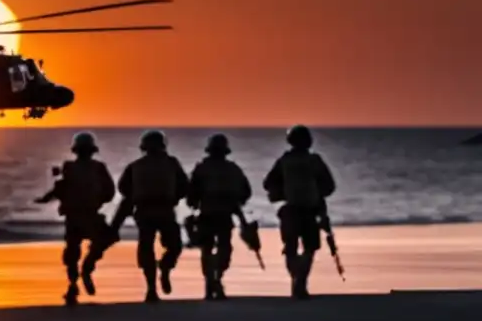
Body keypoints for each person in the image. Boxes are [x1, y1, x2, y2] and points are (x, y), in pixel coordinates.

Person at [35, 131, 117, 306]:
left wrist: (46, 198)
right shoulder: (91, 168)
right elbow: (109, 192)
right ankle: (85, 269)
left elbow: (60, 189)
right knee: (100, 241)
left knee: (73, 253)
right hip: (86, 215)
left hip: (76, 217)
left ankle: (76, 281)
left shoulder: (74, 168)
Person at [111, 130, 189, 303]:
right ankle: (156, 281)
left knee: (154, 248)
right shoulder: (169, 163)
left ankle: (156, 281)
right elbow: (184, 187)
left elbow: (124, 189)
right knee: (170, 246)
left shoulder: (138, 166)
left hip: (151, 211)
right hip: (159, 210)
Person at [263, 124, 336, 299]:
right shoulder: (314, 161)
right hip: (311, 210)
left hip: (291, 210)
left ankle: (296, 278)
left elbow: (268, 183)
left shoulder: (284, 161)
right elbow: (329, 186)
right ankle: (301, 280)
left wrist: (283, 192)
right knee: (310, 248)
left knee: (290, 248)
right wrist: (317, 194)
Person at [186, 133, 252, 300]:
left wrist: (194, 203)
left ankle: (211, 284)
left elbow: (191, 196)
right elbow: (246, 192)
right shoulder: (233, 169)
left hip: (208, 214)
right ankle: (216, 281)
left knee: (208, 250)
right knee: (223, 249)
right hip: (223, 215)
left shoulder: (202, 168)